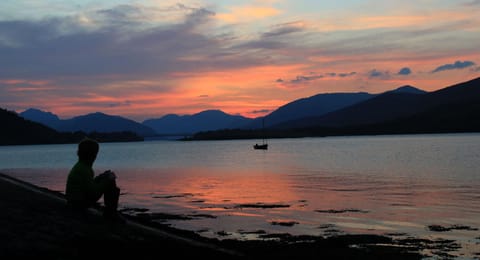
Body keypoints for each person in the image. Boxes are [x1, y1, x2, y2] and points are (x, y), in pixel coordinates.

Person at [65, 138, 121, 221]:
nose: (96, 155)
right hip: (79, 203)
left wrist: (100, 177)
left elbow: (87, 185)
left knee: (107, 178)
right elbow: (93, 192)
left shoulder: (81, 165)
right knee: (110, 181)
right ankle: (111, 213)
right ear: (92, 154)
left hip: (74, 201)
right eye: (96, 153)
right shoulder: (84, 169)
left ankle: (111, 212)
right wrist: (107, 181)